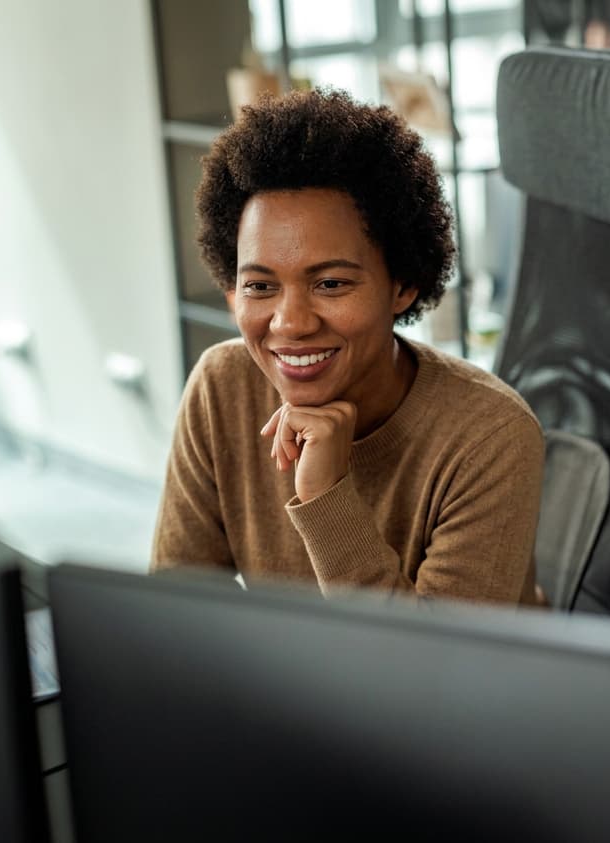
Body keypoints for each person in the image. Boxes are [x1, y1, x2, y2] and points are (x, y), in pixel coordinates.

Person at [151, 89, 544, 606]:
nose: (290, 324)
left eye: (331, 284)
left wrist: (325, 498)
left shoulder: (489, 435)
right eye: (260, 286)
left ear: (401, 284)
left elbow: (439, 676)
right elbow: (177, 614)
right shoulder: (222, 386)